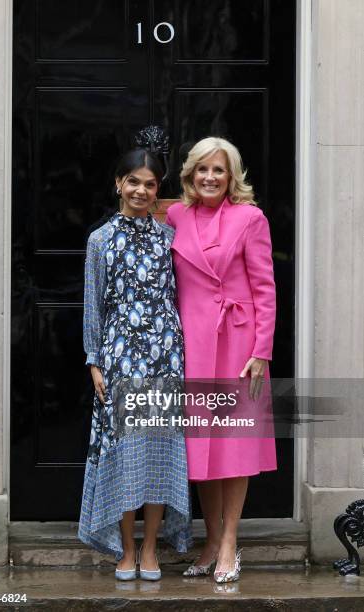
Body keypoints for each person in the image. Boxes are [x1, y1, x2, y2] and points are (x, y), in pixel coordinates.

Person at [166, 136, 277, 583]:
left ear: (232, 177)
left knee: (233, 445)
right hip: (192, 344)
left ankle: (230, 541)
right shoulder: (174, 215)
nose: (210, 177)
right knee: (201, 449)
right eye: (202, 170)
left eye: (219, 170)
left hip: (237, 344)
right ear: (190, 175)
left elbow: (266, 289)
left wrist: (261, 352)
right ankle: (210, 540)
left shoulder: (251, 218)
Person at [78, 147, 192, 581]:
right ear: (118, 184)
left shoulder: (169, 238)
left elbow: (182, 296)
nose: (141, 190)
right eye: (134, 181)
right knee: (126, 455)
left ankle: (150, 549)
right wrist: (94, 362)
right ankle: (125, 548)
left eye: (150, 184)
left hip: (165, 356)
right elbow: (93, 305)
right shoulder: (101, 240)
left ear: (156, 189)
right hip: (120, 358)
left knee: (160, 453)